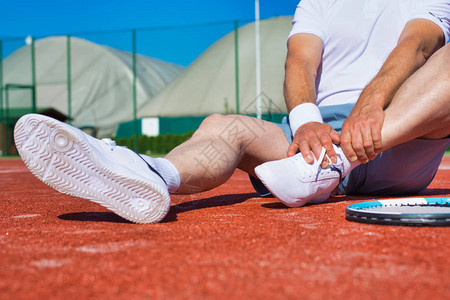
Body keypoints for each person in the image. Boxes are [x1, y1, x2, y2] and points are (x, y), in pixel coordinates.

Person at [14, 0, 449, 223]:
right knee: (224, 126)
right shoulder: (319, 1)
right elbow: (299, 60)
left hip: (398, 128)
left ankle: (338, 163)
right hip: (314, 138)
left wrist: (371, 106)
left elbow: (416, 45)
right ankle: (149, 174)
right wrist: (306, 121)